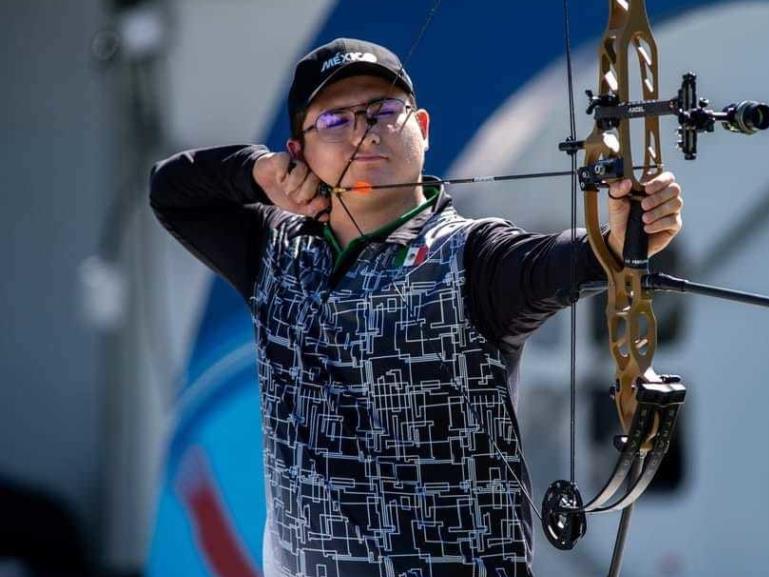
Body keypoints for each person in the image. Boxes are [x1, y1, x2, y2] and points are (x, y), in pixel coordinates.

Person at [150, 38, 683, 577]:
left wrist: (618, 241)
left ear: (422, 129)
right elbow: (171, 192)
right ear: (300, 153)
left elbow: (558, 262)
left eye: (383, 111)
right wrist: (255, 173)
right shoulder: (273, 251)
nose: (364, 130)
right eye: (335, 120)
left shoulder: (472, 257)